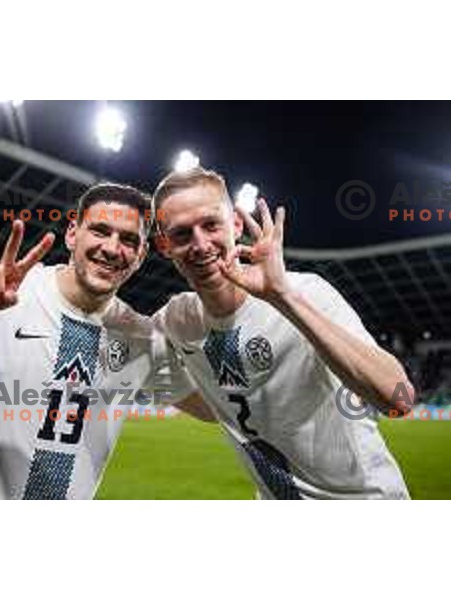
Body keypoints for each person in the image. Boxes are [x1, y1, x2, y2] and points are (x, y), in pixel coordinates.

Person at [0, 183, 206, 500]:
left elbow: (217, 408)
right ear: (72, 233)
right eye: (101, 231)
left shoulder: (142, 338)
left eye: (129, 239)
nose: (111, 248)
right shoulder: (7, 292)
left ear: (141, 254)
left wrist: (238, 308)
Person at [151, 167, 416, 499]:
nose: (201, 244)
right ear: (164, 245)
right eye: (181, 234)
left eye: (210, 225)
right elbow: (210, 405)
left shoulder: (306, 292)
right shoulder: (177, 321)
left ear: (235, 224)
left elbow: (400, 400)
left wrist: (283, 297)